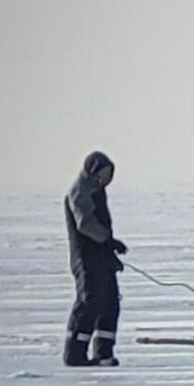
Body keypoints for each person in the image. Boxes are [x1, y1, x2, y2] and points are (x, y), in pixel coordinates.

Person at [64, 151, 128, 366]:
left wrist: (111, 248)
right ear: (94, 171)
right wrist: (106, 240)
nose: (107, 179)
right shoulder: (81, 191)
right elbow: (85, 224)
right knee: (89, 302)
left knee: (110, 303)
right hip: (86, 258)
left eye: (110, 174)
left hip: (101, 257)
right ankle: (75, 353)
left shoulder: (97, 191)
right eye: (104, 173)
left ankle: (103, 353)